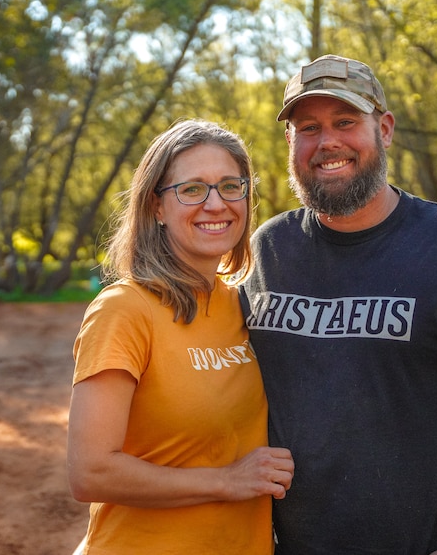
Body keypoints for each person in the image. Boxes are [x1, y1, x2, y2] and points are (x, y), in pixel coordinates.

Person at [240, 55, 437, 555]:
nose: (328, 142)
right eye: (309, 128)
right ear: (290, 142)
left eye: (346, 122)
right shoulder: (265, 251)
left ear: (384, 129)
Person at [68, 119, 295, 554]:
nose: (216, 204)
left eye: (231, 186)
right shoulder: (125, 309)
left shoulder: (244, 306)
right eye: (192, 189)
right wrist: (228, 480)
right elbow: (90, 472)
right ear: (156, 207)